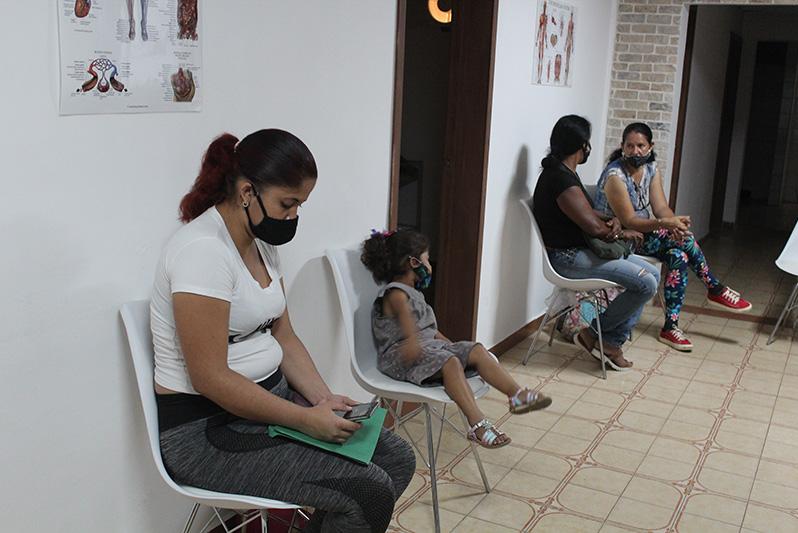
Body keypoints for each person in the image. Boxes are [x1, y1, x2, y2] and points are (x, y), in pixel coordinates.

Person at [150, 130, 415, 533]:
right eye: (287, 204)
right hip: (209, 431)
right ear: (246, 193)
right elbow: (209, 377)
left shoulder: (260, 243)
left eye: (299, 206)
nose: (293, 217)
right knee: (367, 492)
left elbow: (284, 336)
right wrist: (304, 419)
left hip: (266, 405)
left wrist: (323, 399)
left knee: (397, 459)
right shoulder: (202, 253)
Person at [361, 229, 552, 449]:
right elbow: (411, 338)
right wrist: (445, 355)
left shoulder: (415, 294)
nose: (430, 264)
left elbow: (430, 331)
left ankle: (517, 395)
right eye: (426, 258)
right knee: (450, 362)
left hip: (427, 347)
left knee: (477, 350)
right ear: (414, 263)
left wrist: (455, 348)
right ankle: (478, 425)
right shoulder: (395, 294)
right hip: (400, 355)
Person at [595, 122, 752, 351]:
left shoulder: (651, 169)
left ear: (650, 146)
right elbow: (629, 221)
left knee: (679, 254)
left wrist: (673, 224)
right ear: (622, 147)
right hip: (618, 238)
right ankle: (714, 288)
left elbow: (661, 209)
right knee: (686, 241)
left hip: (642, 234)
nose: (635, 151)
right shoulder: (615, 175)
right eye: (630, 146)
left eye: (641, 145)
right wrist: (666, 224)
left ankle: (670, 327)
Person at [532, 115, 660, 369]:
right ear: (581, 146)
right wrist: (620, 232)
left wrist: (612, 220)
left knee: (653, 274)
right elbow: (591, 225)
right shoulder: (559, 178)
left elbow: (587, 212)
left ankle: (607, 341)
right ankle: (596, 335)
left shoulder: (563, 171)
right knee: (645, 283)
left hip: (581, 250)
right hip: (567, 258)